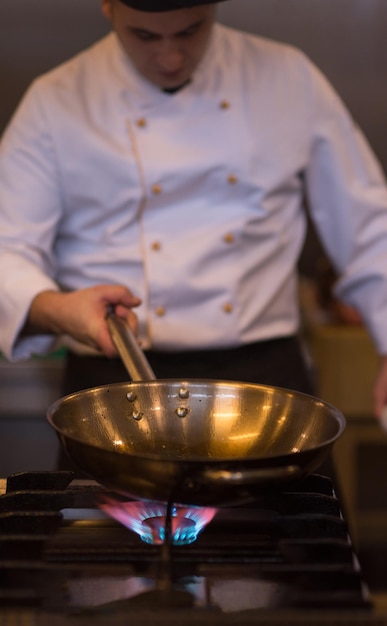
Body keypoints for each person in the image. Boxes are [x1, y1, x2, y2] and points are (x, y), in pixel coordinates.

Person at [1, 0, 387, 428]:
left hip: (263, 382)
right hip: (114, 383)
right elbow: (6, 247)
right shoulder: (57, 100)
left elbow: (369, 225)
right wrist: (58, 309)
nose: (170, 57)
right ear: (107, 7)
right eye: (144, 36)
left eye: (190, 31)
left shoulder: (287, 76)